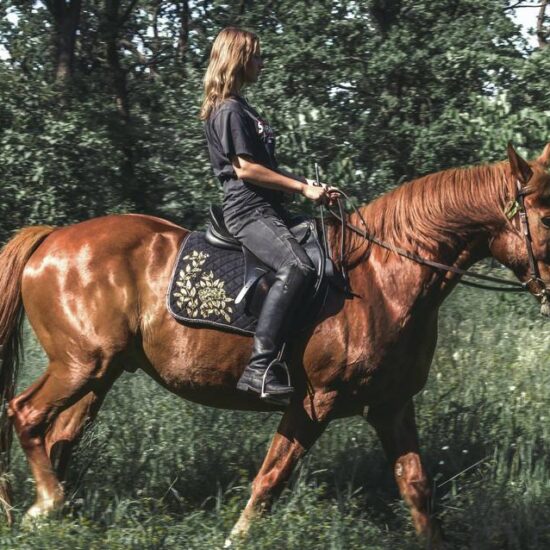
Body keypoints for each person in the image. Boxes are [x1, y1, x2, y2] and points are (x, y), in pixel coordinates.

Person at [200, 27, 340, 402]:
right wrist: (300, 189)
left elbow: (265, 166)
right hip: (247, 210)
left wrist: (309, 184)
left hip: (268, 206)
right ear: (238, 59)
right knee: (298, 266)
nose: (263, 62)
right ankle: (259, 368)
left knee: (327, 252)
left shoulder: (243, 107)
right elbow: (246, 169)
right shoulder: (229, 110)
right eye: (257, 56)